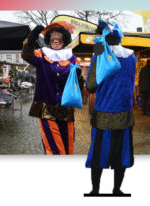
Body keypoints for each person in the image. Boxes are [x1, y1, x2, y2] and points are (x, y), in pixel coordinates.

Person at [85, 20, 136, 195]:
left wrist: (96, 55)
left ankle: (95, 191)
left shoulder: (100, 55)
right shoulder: (131, 57)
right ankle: (116, 190)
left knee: (99, 154)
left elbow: (90, 86)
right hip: (124, 114)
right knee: (121, 154)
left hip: (104, 116)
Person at [21, 21, 78, 155]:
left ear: (64, 39)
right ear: (49, 39)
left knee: (67, 145)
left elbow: (77, 83)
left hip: (67, 108)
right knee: (54, 148)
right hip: (47, 108)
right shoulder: (42, 55)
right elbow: (26, 54)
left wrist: (78, 77)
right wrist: (32, 36)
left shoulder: (72, 58)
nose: (56, 38)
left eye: (59, 36)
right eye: (53, 35)